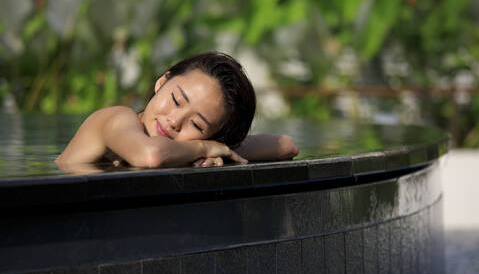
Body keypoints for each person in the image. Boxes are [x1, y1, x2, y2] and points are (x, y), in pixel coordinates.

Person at [55, 51, 298, 170]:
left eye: (197, 125)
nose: (175, 121)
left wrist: (222, 150)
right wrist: (202, 147)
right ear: (162, 83)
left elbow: (287, 146)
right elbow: (150, 156)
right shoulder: (116, 118)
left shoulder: (190, 146)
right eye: (176, 100)